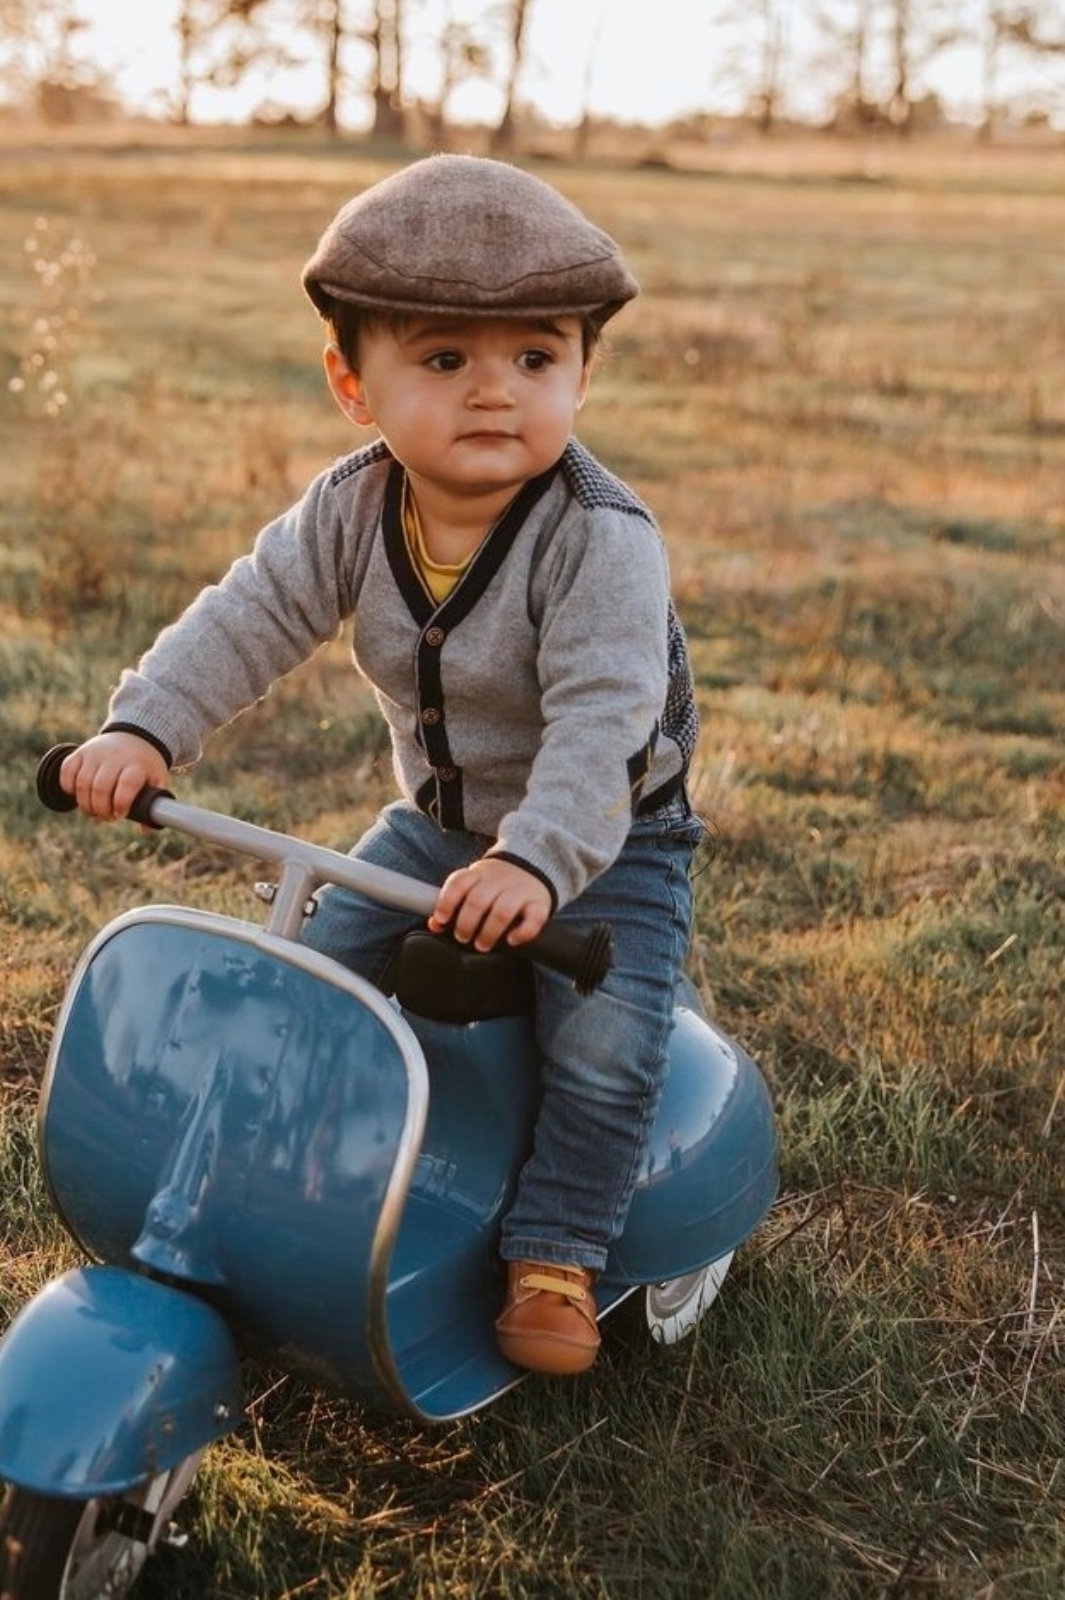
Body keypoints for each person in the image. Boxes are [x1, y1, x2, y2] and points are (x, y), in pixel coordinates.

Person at [59, 153, 702, 1377]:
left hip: (602, 833)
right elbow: (249, 614)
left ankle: (559, 1247)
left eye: (535, 359)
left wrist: (542, 860)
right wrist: (147, 729)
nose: (495, 393)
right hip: (438, 826)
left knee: (606, 1038)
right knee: (302, 979)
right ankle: (282, 1181)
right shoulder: (351, 511)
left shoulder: (602, 540)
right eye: (445, 359)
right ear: (353, 384)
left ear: (583, 371)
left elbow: (602, 721)